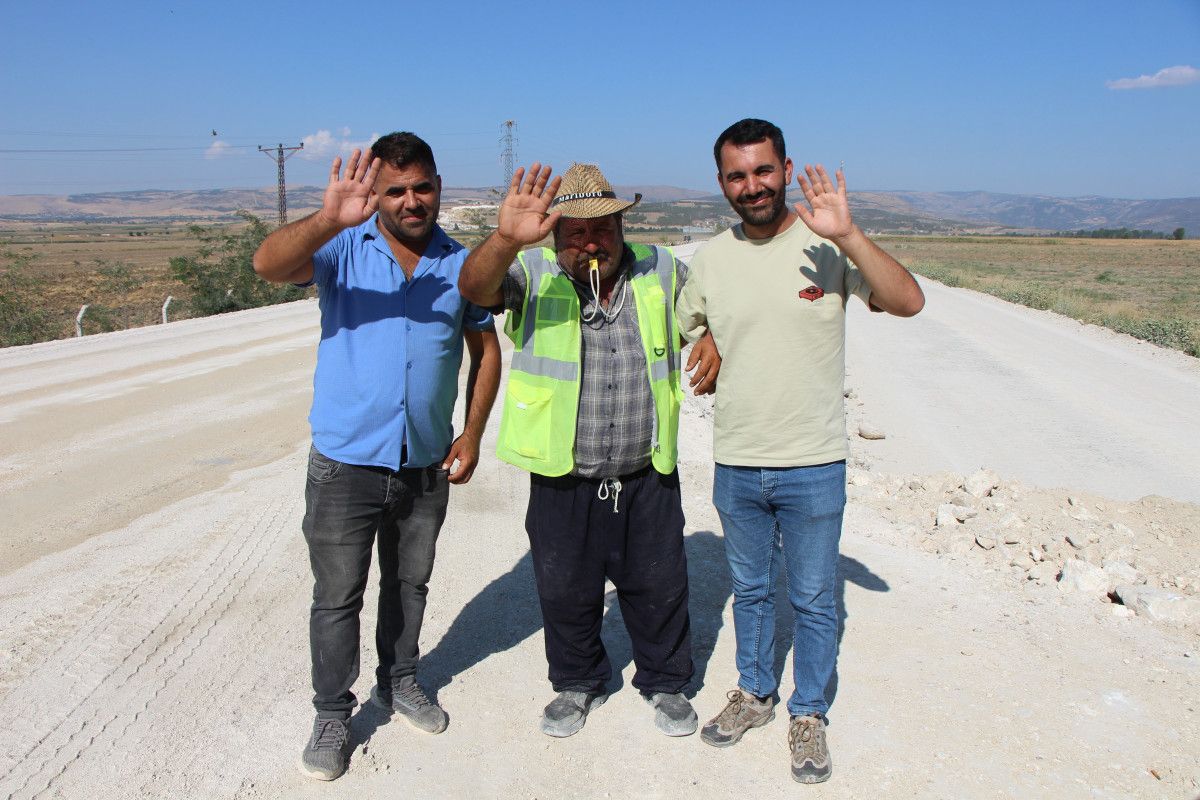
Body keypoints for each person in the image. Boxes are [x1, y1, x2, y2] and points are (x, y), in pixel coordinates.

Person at [675, 118, 924, 784]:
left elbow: (908, 300)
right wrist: (715, 340)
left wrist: (848, 233)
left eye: (762, 171)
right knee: (751, 593)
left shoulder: (827, 246)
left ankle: (808, 712)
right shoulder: (713, 259)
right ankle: (754, 694)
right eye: (736, 174)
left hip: (812, 465)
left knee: (814, 600)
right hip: (738, 461)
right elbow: (691, 325)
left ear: (786, 169)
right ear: (722, 182)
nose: (751, 186)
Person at [252, 132, 501, 781]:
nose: (411, 200)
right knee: (338, 596)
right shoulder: (341, 248)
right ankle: (333, 711)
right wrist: (329, 217)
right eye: (396, 189)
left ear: (438, 185)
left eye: (422, 186)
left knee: (409, 584)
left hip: (423, 463)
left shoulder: (462, 265)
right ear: (378, 194)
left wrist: (471, 434)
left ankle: (402, 680)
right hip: (345, 466)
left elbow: (487, 350)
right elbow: (268, 265)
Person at [458, 162, 721, 739]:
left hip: (646, 470)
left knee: (659, 584)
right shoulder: (530, 271)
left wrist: (712, 335)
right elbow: (474, 288)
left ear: (622, 225)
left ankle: (665, 682)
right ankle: (577, 682)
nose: (589, 243)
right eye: (574, 232)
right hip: (563, 474)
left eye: (601, 229)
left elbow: (712, 310)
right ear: (553, 235)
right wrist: (505, 237)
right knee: (565, 587)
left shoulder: (661, 270)